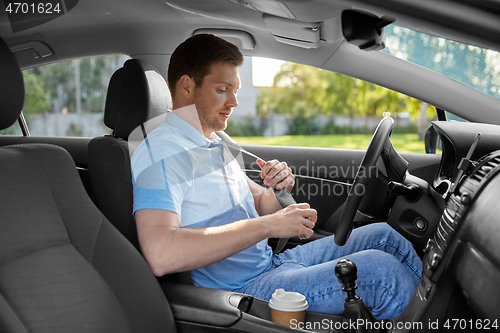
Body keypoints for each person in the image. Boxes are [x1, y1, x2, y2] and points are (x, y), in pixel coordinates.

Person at [131, 34, 422, 320]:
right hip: (242, 291)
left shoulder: (214, 142)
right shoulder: (161, 152)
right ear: (187, 86)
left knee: (386, 236)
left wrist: (276, 188)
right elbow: (161, 253)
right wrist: (270, 225)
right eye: (222, 89)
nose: (234, 101)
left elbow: (258, 202)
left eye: (236, 89)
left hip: (271, 264)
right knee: (381, 273)